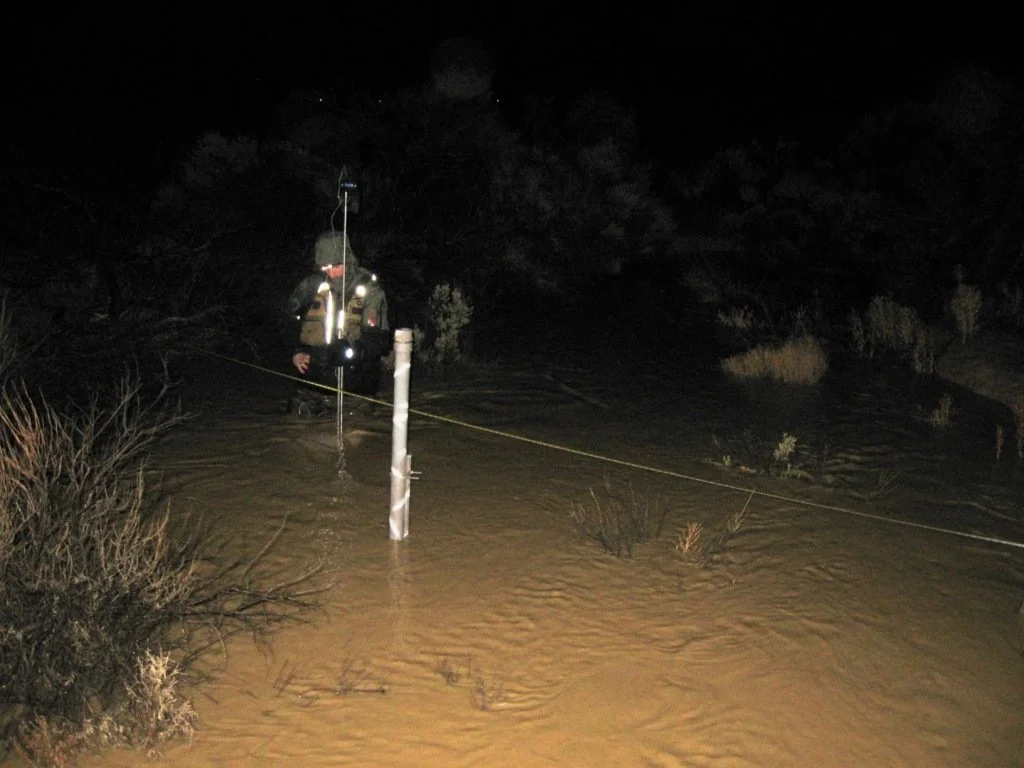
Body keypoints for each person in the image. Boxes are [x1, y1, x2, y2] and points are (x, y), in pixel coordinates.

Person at [285, 231, 389, 416]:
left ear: (347, 262)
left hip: (355, 389)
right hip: (311, 387)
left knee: (356, 438)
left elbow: (379, 341)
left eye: (335, 266)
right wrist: (297, 351)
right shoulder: (311, 285)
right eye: (324, 267)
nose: (330, 273)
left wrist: (351, 351)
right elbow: (287, 320)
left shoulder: (370, 291)